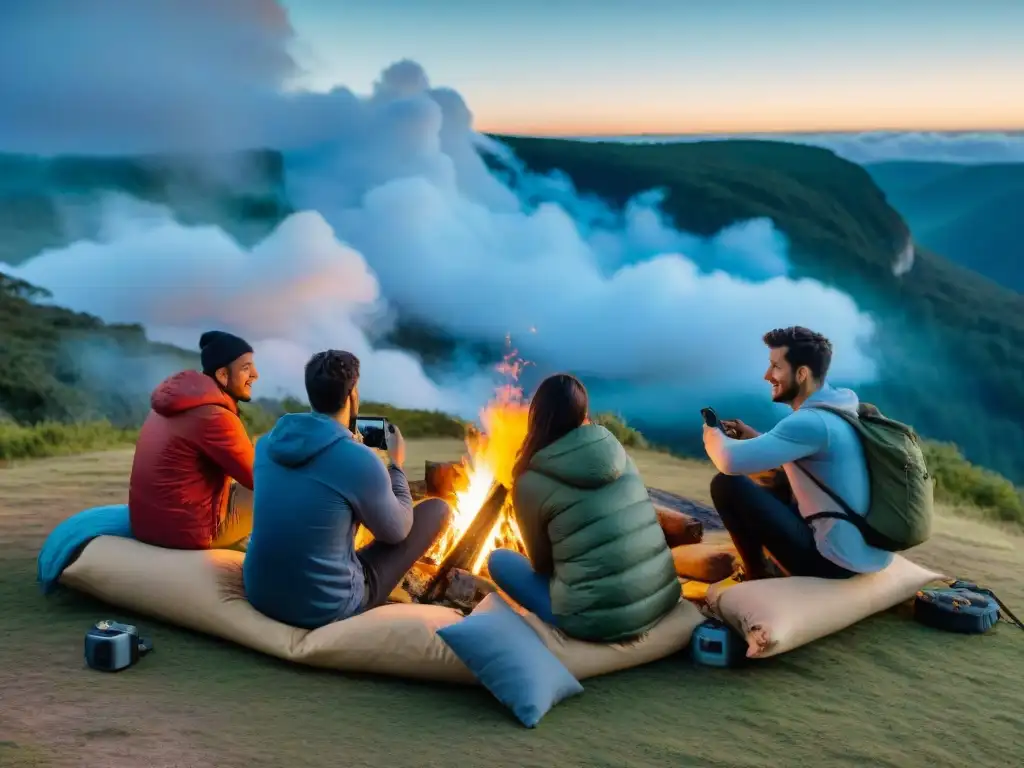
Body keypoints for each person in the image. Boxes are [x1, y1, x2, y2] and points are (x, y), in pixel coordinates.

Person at [243, 350, 452, 629]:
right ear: (352, 394)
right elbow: (397, 532)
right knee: (437, 509)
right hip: (324, 606)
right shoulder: (358, 458)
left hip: (260, 592)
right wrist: (396, 465)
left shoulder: (266, 444)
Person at [486, 373, 681, 643]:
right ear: (583, 413)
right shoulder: (615, 450)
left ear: (536, 416)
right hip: (661, 597)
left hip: (594, 623)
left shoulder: (530, 479)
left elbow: (541, 565)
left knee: (499, 560)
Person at [703, 326, 894, 580]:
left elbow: (729, 461)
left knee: (727, 485)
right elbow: (803, 458)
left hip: (835, 563)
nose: (767, 375)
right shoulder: (843, 407)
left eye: (776, 367)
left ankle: (757, 574)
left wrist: (711, 431)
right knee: (778, 483)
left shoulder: (811, 422)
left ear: (802, 373)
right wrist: (754, 437)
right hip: (867, 549)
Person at [129, 331, 258, 550]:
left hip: (145, 525)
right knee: (283, 485)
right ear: (223, 375)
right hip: (190, 533)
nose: (255, 374)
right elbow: (260, 478)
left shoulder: (168, 405)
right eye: (246, 368)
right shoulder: (215, 417)